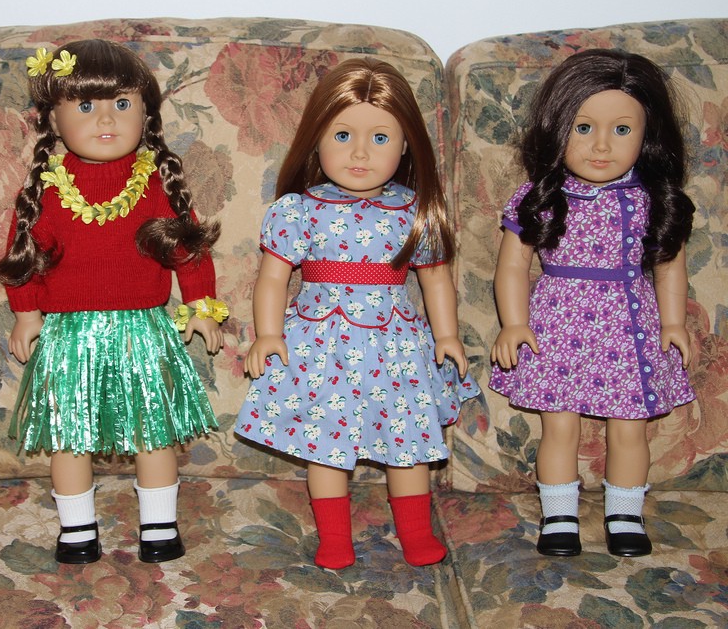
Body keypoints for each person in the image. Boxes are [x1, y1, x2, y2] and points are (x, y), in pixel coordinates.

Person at [235, 58, 479, 568]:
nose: (360, 152)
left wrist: (447, 336)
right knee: (324, 443)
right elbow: (273, 278)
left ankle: (416, 532)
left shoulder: (415, 210)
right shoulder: (299, 209)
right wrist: (267, 334)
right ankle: (334, 537)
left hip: (396, 344)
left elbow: (435, 278)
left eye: (380, 138)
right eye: (343, 135)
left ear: (406, 145)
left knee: (409, 440)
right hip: (321, 344)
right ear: (316, 139)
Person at [0, 39, 225, 564]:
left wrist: (201, 305)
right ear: (53, 119)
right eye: (84, 105)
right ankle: (77, 528)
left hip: (143, 331)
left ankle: (159, 525)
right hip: (68, 336)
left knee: (152, 429)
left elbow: (187, 250)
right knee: (68, 434)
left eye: (122, 104)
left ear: (146, 114)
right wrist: (26, 313)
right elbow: (23, 256)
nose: (105, 119)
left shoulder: (155, 183)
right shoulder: (46, 189)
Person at [489, 49, 696, 558]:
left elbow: (668, 265)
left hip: (629, 327)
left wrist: (673, 322)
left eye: (622, 130)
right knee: (558, 425)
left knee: (629, 429)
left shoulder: (652, 198)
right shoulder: (541, 196)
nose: (602, 145)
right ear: (556, 128)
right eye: (583, 128)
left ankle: (624, 514)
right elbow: (513, 267)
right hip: (559, 326)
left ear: (648, 136)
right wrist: (514, 323)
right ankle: (559, 515)